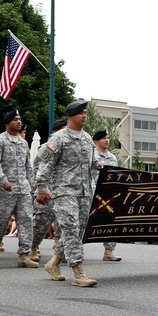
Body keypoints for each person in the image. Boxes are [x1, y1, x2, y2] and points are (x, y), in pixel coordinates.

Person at [36, 100, 99, 286]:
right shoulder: (58, 139)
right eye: (80, 113)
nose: (84, 116)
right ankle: (78, 271)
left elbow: (93, 161)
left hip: (84, 192)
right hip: (64, 192)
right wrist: (41, 189)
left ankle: (53, 263)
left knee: (77, 231)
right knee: (70, 228)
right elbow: (44, 165)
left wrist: (101, 166)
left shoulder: (87, 138)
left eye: (86, 112)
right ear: (70, 116)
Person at [0, 110, 38, 268]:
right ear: (7, 123)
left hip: (23, 189)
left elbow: (28, 166)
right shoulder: (0, 140)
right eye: (15, 120)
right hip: (5, 189)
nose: (18, 122)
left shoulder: (23, 143)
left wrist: (32, 186)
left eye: (19, 119)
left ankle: (24, 255)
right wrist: (3, 180)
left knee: (26, 221)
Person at [29, 118, 67, 262]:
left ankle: (62, 251)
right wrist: (42, 188)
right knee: (41, 222)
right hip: (48, 191)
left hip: (63, 190)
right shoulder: (47, 147)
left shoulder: (69, 145)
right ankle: (32, 247)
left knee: (67, 223)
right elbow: (37, 167)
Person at [92, 129, 122, 262]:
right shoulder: (91, 155)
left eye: (108, 138)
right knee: (82, 223)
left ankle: (109, 251)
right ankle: (67, 252)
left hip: (107, 195)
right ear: (96, 141)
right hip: (91, 193)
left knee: (111, 221)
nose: (107, 140)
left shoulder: (112, 158)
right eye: (104, 138)